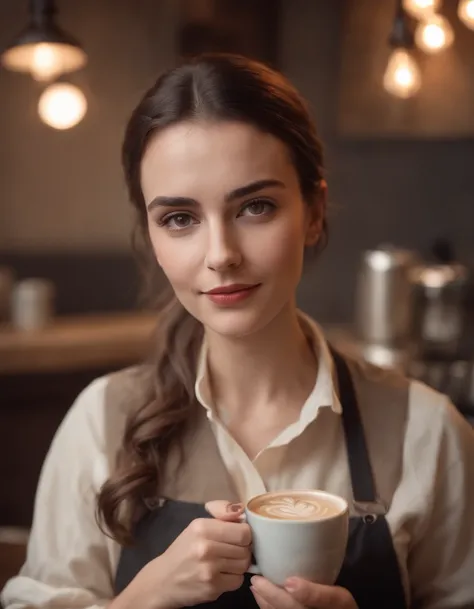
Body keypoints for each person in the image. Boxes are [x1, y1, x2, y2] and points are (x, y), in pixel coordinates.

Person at [2, 53, 473, 609]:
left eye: (255, 207)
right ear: (151, 234)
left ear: (314, 210)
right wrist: (138, 602)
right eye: (180, 219)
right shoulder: (100, 424)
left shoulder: (428, 432)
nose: (221, 255)